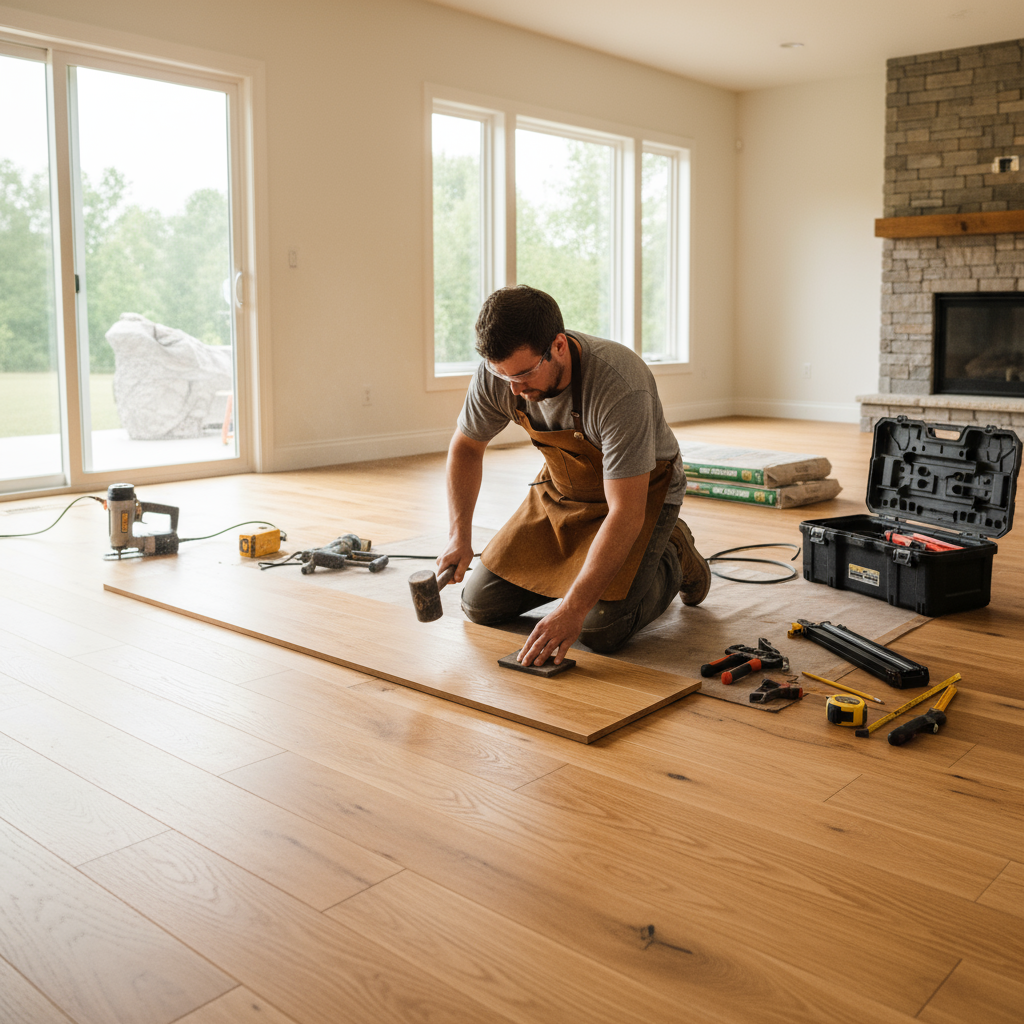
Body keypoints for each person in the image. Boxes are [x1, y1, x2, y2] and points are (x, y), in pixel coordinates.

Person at [439, 284, 710, 668]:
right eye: (503, 376)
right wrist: (458, 535)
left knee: (600, 629)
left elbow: (625, 513)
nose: (515, 389)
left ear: (559, 346)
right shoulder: (501, 375)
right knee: (479, 604)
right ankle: (593, 573)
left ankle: (674, 553)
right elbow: (466, 448)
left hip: (639, 497)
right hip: (563, 493)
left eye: (525, 373)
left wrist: (574, 608)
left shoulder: (619, 384)